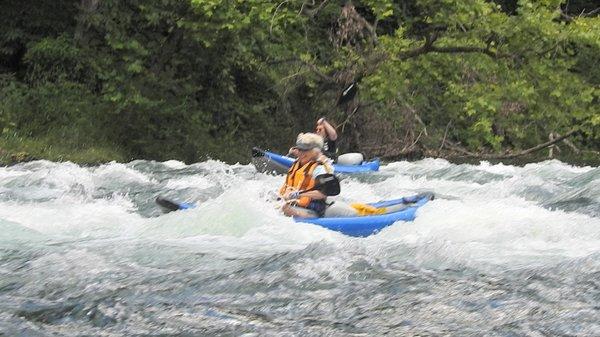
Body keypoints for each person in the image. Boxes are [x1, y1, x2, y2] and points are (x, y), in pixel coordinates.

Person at [280, 133, 335, 218]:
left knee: (285, 209)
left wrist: (298, 194)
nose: (301, 153)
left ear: (315, 152)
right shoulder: (297, 164)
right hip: (294, 202)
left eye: (305, 150)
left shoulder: (319, 169)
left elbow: (323, 194)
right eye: (300, 149)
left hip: (313, 208)